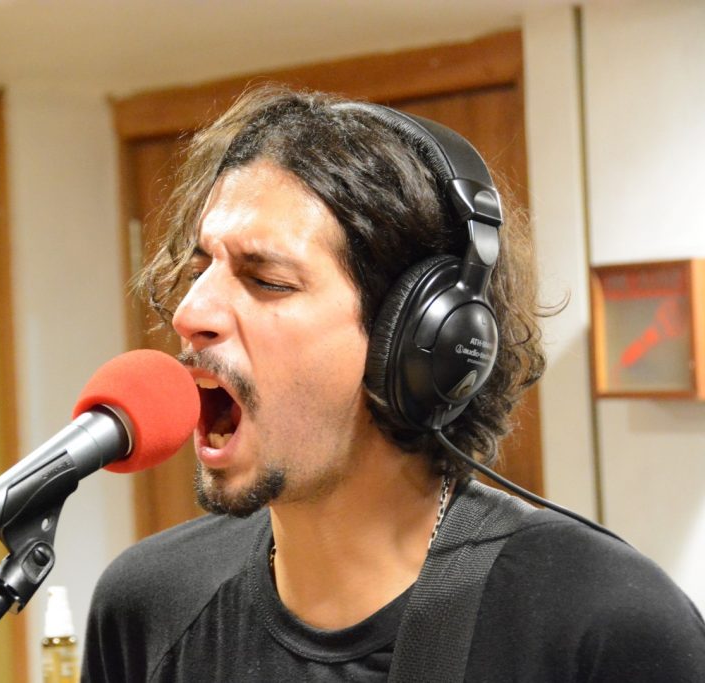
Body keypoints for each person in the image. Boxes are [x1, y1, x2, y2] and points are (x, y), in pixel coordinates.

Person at [82, 87, 705, 681]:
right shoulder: (147, 607)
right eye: (199, 270)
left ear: (416, 341)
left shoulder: (602, 625)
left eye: (267, 280)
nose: (190, 313)